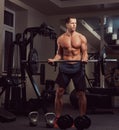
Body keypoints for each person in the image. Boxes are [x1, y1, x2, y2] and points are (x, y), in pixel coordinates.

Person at [48, 16, 88, 126]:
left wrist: (84, 58)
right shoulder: (60, 39)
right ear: (67, 24)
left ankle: (82, 118)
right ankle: (57, 118)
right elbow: (59, 54)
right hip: (64, 67)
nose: (74, 25)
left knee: (81, 93)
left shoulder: (81, 37)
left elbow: (84, 52)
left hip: (77, 67)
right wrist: (54, 59)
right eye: (72, 23)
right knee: (59, 92)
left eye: (75, 23)